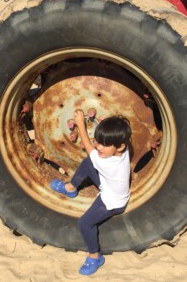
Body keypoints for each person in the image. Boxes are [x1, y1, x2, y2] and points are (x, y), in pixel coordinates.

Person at [50, 110, 131, 276]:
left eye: (104, 144)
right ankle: (70, 188)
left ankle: (95, 256)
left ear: (120, 146)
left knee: (84, 224)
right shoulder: (124, 148)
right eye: (98, 141)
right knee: (88, 163)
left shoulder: (107, 164)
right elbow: (102, 146)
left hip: (112, 202)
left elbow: (88, 147)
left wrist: (81, 125)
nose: (98, 146)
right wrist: (106, 125)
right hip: (110, 185)